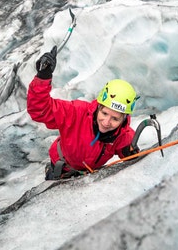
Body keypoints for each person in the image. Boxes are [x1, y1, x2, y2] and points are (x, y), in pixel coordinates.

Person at [27, 46, 140, 180]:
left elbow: (134, 165)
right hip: (61, 169)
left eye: (115, 119)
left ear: (124, 119)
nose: (106, 122)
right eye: (104, 113)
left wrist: (132, 154)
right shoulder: (76, 113)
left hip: (89, 176)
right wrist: (43, 77)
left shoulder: (124, 136)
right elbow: (40, 110)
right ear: (98, 106)